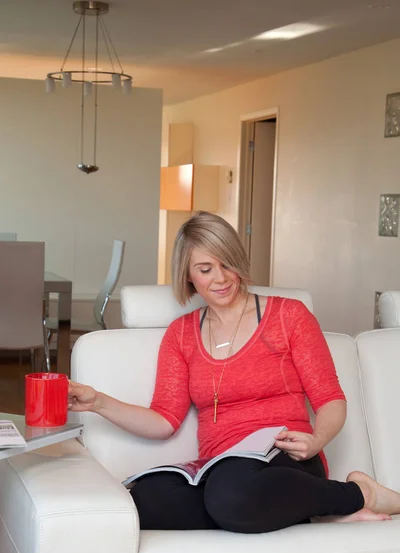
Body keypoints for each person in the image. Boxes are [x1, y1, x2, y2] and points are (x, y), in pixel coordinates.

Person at [68, 211, 400, 533]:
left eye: (227, 263)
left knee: (231, 496)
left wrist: (315, 441)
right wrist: (97, 402)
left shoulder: (289, 316)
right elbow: (164, 420)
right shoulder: (181, 334)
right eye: (205, 269)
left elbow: (331, 400)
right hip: (221, 468)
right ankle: (308, 511)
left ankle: (359, 494)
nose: (221, 278)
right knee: (140, 502)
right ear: (188, 275)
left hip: (285, 459)